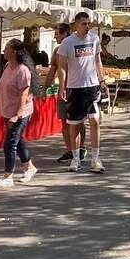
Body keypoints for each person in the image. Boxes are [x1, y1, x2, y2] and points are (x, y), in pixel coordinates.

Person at [57, 11, 108, 173]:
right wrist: (62, 86)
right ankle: (75, 159)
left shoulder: (94, 39)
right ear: (76, 25)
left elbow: (98, 61)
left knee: (95, 121)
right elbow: (62, 67)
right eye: (84, 24)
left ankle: (95, 159)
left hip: (92, 87)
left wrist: (102, 80)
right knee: (75, 125)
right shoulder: (67, 43)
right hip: (74, 88)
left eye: (88, 24)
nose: (87, 27)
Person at [0, 39, 37, 188]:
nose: (4, 51)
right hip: (8, 110)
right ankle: (29, 167)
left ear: (14, 52)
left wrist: (17, 115)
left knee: (10, 143)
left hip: (20, 113)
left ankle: (8, 176)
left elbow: (24, 94)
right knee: (18, 140)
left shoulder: (23, 70)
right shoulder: (7, 66)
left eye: (6, 48)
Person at [46, 23, 86, 164]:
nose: (55, 37)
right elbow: (53, 70)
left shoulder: (76, 47)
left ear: (64, 34)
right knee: (65, 122)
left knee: (78, 122)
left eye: (57, 34)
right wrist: (45, 86)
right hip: (63, 90)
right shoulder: (57, 51)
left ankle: (80, 148)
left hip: (77, 89)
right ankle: (70, 150)